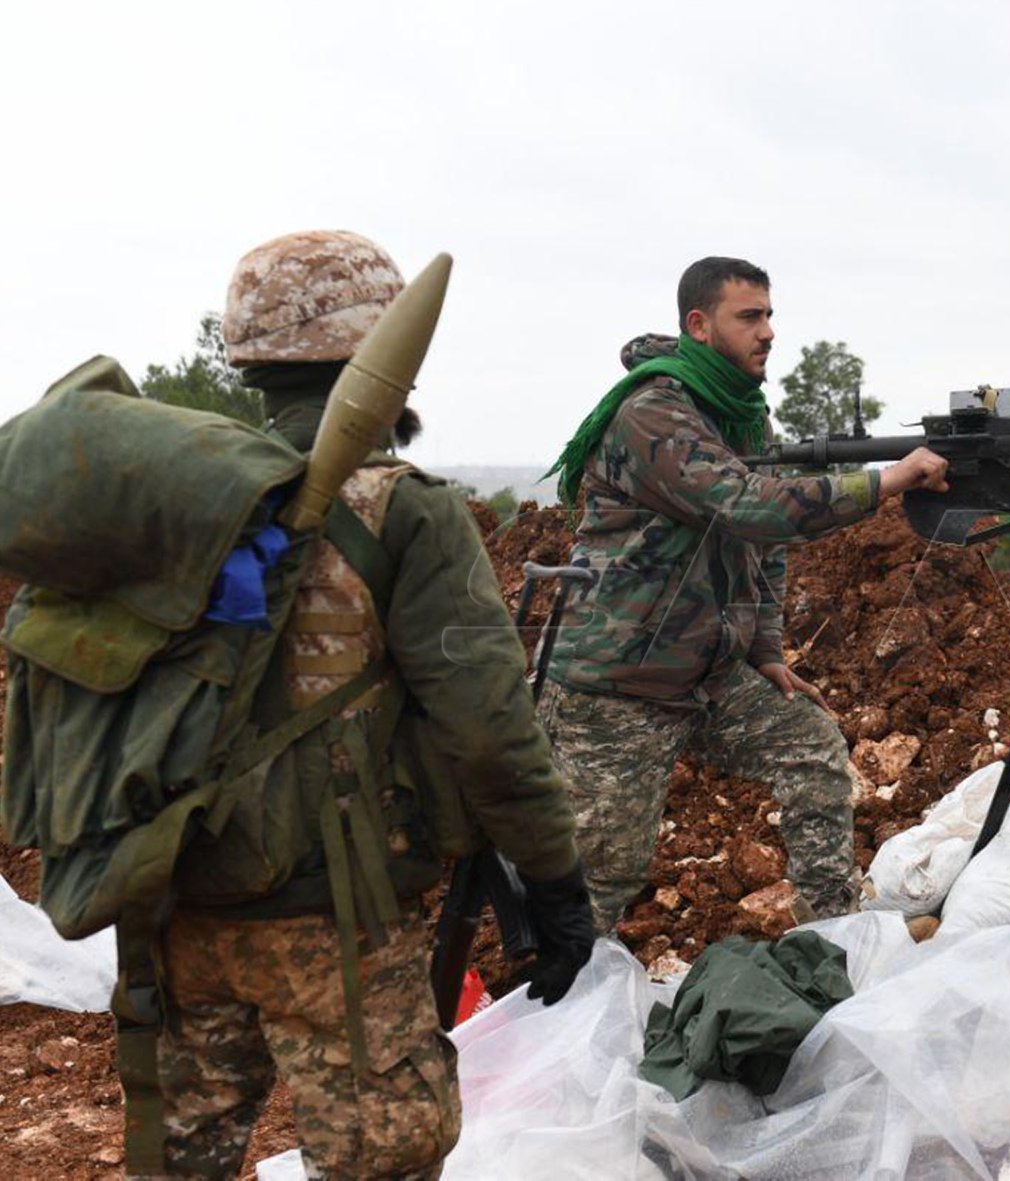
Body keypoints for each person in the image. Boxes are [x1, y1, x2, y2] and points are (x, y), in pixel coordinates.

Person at [147, 230, 597, 1179]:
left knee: (179, 1161)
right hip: (333, 921)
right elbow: (490, 732)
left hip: (174, 901)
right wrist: (554, 881)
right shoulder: (406, 510)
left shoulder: (175, 499)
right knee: (382, 1160)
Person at [541, 256, 948, 932]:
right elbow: (748, 506)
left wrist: (764, 647)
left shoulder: (741, 416)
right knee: (603, 878)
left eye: (769, 315)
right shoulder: (653, 413)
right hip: (615, 688)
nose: (768, 332)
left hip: (704, 674)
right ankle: (562, 1015)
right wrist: (886, 481)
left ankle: (835, 933)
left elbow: (766, 547)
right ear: (699, 325)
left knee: (812, 748)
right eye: (750, 317)